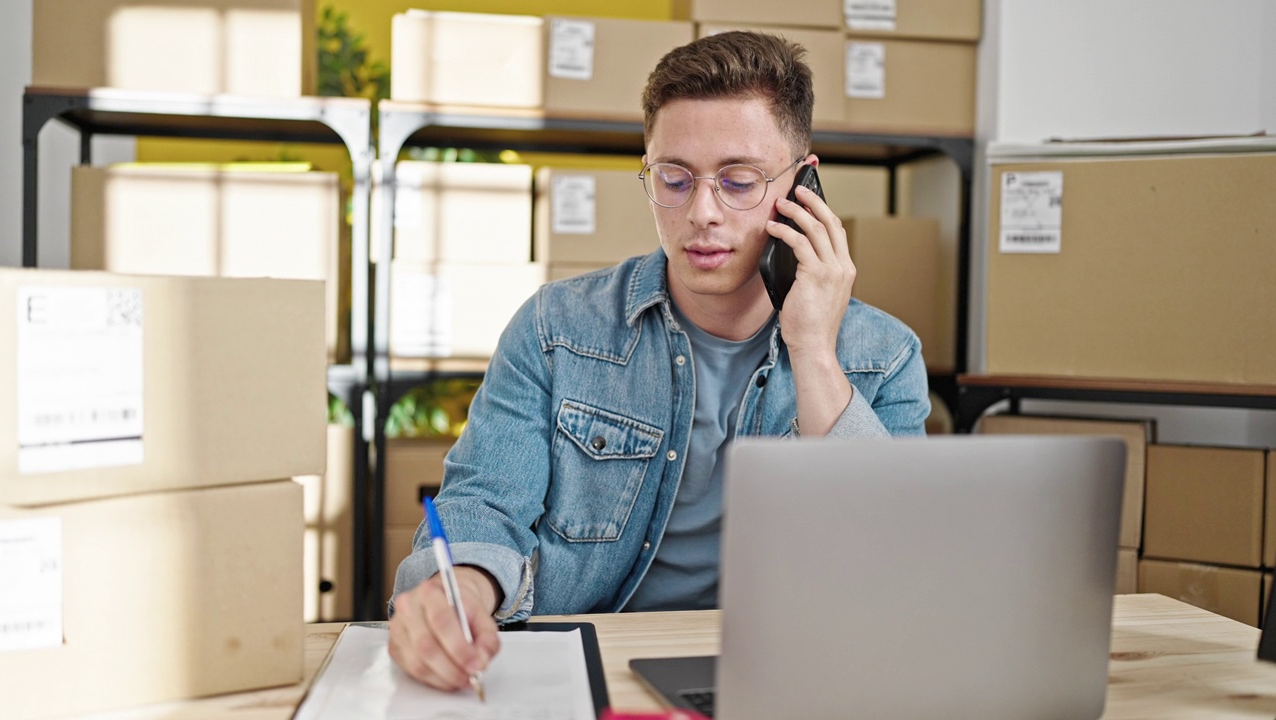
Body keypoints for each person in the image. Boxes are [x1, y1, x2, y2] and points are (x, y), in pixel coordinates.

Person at [387, 30, 930, 691]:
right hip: (586, 673)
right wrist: (462, 592)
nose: (702, 213)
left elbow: (894, 564)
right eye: (673, 178)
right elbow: (484, 505)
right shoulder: (555, 329)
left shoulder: (884, 357)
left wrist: (813, 347)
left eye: (738, 181)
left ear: (804, 185)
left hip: (793, 679)